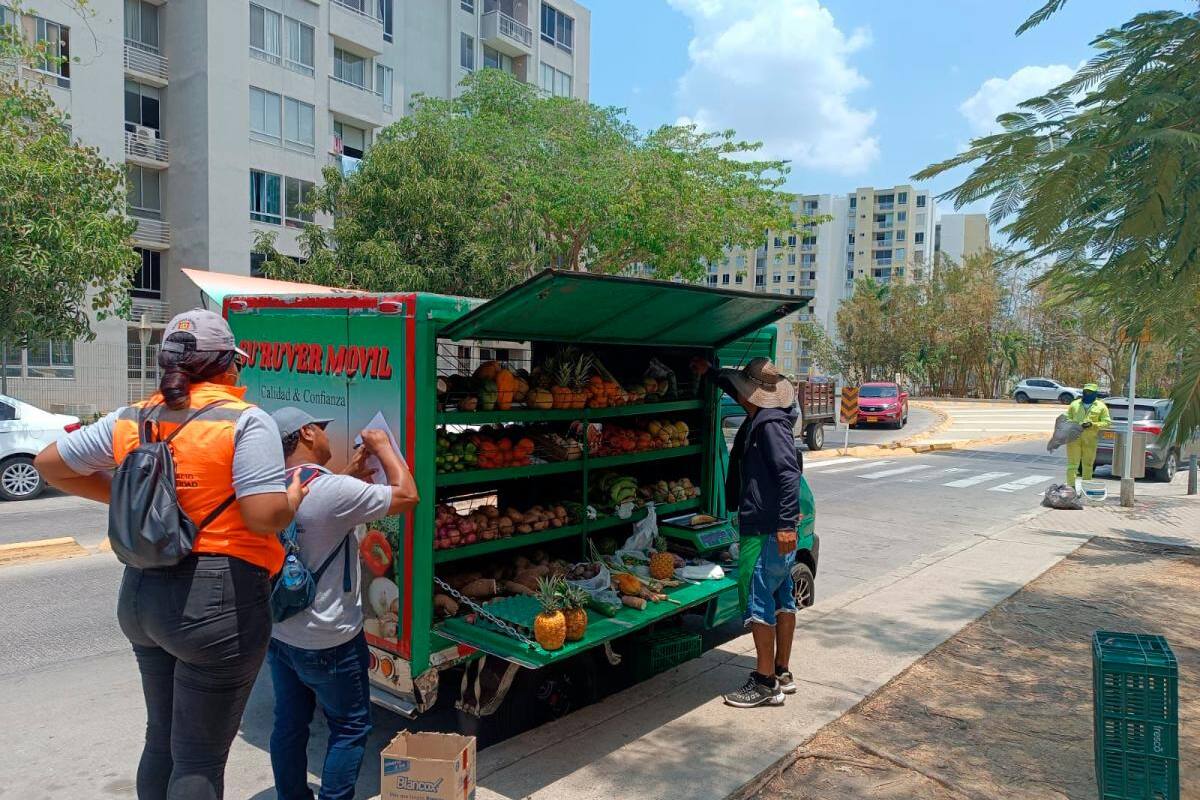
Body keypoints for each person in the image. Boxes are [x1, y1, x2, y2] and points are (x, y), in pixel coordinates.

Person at [35, 309, 305, 800]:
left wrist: (137, 501)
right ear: (226, 364)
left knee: (161, 739)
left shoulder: (131, 418)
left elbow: (50, 465)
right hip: (217, 604)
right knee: (199, 758)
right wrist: (294, 496)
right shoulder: (244, 421)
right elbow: (265, 516)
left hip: (140, 596)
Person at [267, 408, 418, 800]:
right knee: (349, 727)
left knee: (289, 724)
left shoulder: (271, 486)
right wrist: (385, 448)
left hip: (281, 633)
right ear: (305, 433)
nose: (325, 436)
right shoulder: (334, 491)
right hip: (329, 639)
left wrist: (348, 475)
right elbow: (407, 496)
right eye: (321, 429)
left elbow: (319, 509)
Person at [695, 357, 802, 708]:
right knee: (782, 597)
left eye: (742, 388)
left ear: (750, 395)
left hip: (769, 528)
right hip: (776, 527)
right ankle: (782, 671)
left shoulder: (769, 425)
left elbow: (788, 475)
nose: (739, 393)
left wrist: (785, 524)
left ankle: (764, 682)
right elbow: (734, 385)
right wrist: (710, 373)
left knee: (758, 600)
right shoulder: (766, 415)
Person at [1065, 382, 1112, 487]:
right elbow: (1066, 419)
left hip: (1090, 439)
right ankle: (1070, 488)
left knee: (1088, 464)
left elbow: (1107, 423)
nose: (1087, 394)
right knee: (1072, 465)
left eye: (1090, 392)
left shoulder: (1101, 407)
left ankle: (1086, 487)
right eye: (1086, 391)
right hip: (1073, 439)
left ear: (1095, 393)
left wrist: (1093, 424)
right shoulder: (1074, 404)